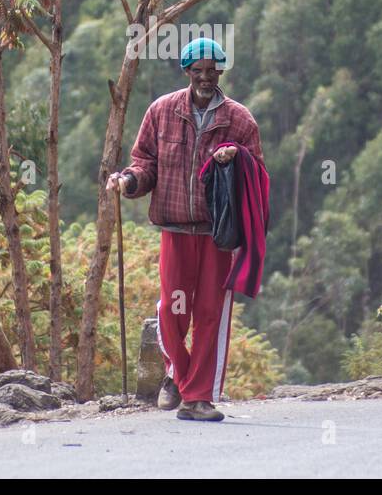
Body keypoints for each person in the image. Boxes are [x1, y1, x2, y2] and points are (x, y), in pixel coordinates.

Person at [106, 37, 265, 422]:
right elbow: (145, 163)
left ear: (221, 72)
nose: (206, 78)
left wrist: (235, 158)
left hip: (217, 234)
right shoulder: (162, 111)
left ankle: (199, 398)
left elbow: (258, 172)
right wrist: (128, 182)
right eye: (198, 71)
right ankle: (176, 374)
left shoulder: (239, 120)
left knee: (211, 312)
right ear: (187, 72)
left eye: (212, 71)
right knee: (173, 309)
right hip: (175, 227)